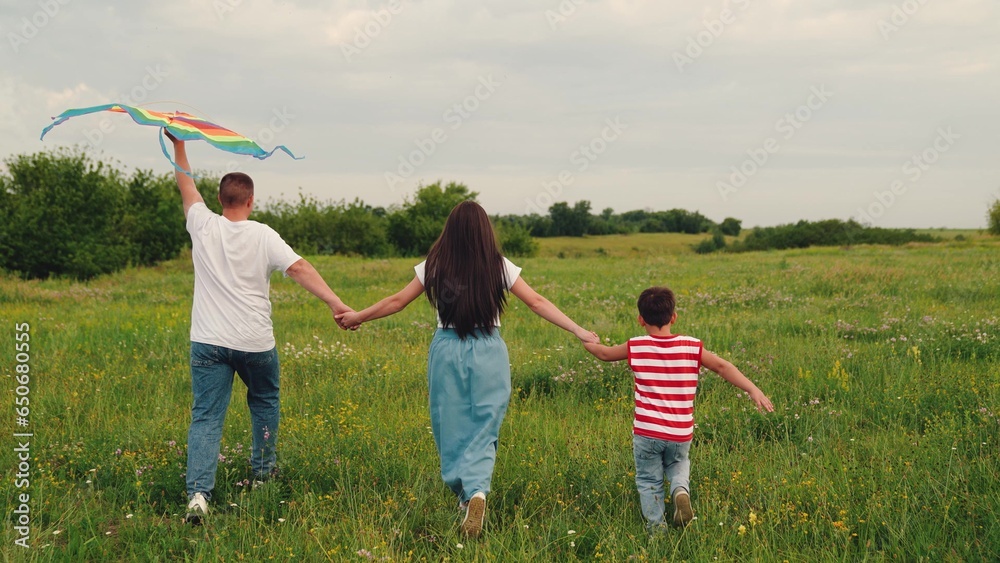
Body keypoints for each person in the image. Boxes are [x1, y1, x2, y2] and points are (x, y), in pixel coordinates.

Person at [336, 200, 598, 538]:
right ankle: (476, 492)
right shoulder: (499, 265)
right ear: (485, 232)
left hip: (447, 348)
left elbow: (397, 301)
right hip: (489, 349)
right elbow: (536, 302)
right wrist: (577, 330)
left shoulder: (433, 264)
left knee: (450, 422)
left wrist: (358, 316)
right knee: (485, 425)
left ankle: (466, 495)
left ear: (450, 231)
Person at [165, 131, 354, 524]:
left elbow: (185, 181)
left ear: (219, 200)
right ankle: (263, 476)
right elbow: (299, 268)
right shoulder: (263, 234)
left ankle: (198, 495)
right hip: (255, 342)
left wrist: (179, 143)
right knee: (264, 402)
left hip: (207, 342)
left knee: (206, 417)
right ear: (250, 201)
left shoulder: (201, 224)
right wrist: (335, 302)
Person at [582, 286, 773, 532]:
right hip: (680, 431)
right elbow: (723, 366)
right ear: (674, 317)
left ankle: (657, 531)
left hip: (647, 431)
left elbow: (604, 354)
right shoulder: (691, 346)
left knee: (649, 479)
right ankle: (680, 490)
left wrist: (586, 339)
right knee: (678, 464)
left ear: (641, 320)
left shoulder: (636, 346)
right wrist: (752, 389)